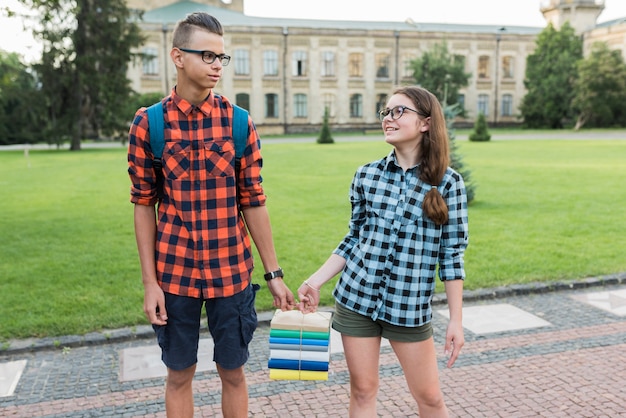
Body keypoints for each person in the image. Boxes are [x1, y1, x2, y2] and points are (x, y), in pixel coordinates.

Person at [127, 12, 295, 418]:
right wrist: (150, 283)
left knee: (234, 374)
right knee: (179, 376)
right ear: (178, 57)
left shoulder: (239, 123)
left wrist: (273, 275)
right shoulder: (149, 124)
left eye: (222, 57)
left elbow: (254, 201)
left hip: (232, 274)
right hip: (174, 277)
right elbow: (143, 204)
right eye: (207, 55)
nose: (217, 65)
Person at [298, 86, 468, 417]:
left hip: (408, 308)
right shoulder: (366, 175)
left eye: (399, 111)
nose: (389, 118)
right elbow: (354, 238)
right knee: (363, 390)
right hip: (356, 300)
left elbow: (451, 256)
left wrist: (456, 321)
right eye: (386, 112)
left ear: (425, 123)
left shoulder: (449, 183)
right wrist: (315, 280)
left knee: (430, 398)